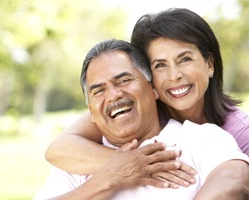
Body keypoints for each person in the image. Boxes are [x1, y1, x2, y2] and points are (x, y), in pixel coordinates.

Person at [44, 8, 249, 186]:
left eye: (184, 59)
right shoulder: (137, 109)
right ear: (147, 78)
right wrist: (135, 164)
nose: (174, 75)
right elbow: (59, 149)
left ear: (210, 64)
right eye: (160, 65)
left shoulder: (239, 132)